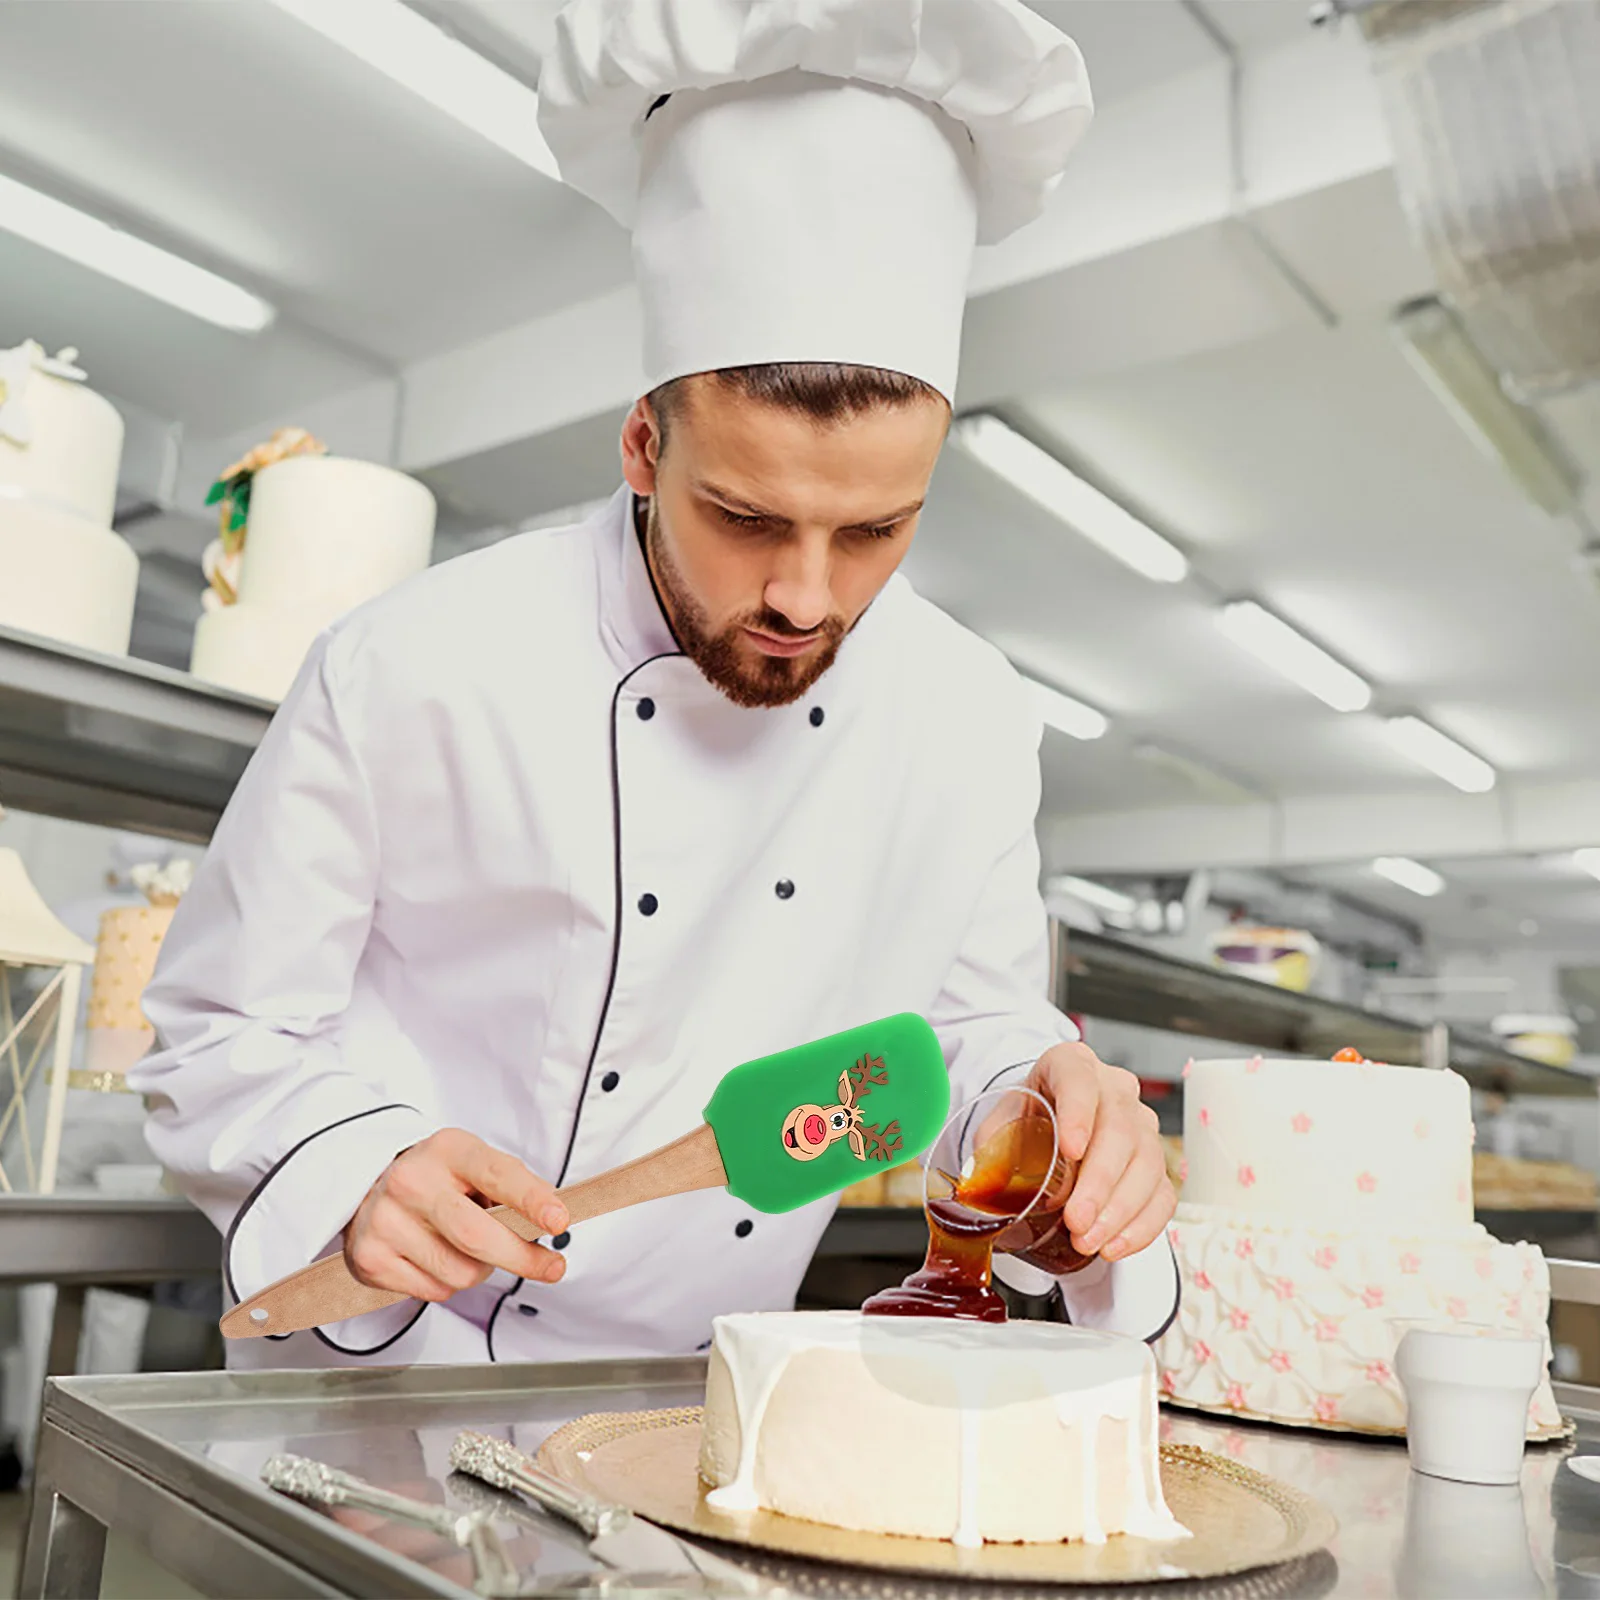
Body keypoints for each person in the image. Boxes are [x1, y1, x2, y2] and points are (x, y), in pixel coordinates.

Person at [133, 0, 1179, 1367]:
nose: (809, 596)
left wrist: (1049, 1121)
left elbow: (966, 1033)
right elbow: (221, 1031)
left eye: (873, 531)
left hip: (670, 1399)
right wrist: (357, 1162)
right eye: (746, 517)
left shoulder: (969, 715)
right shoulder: (417, 663)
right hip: (378, 1382)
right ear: (642, 444)